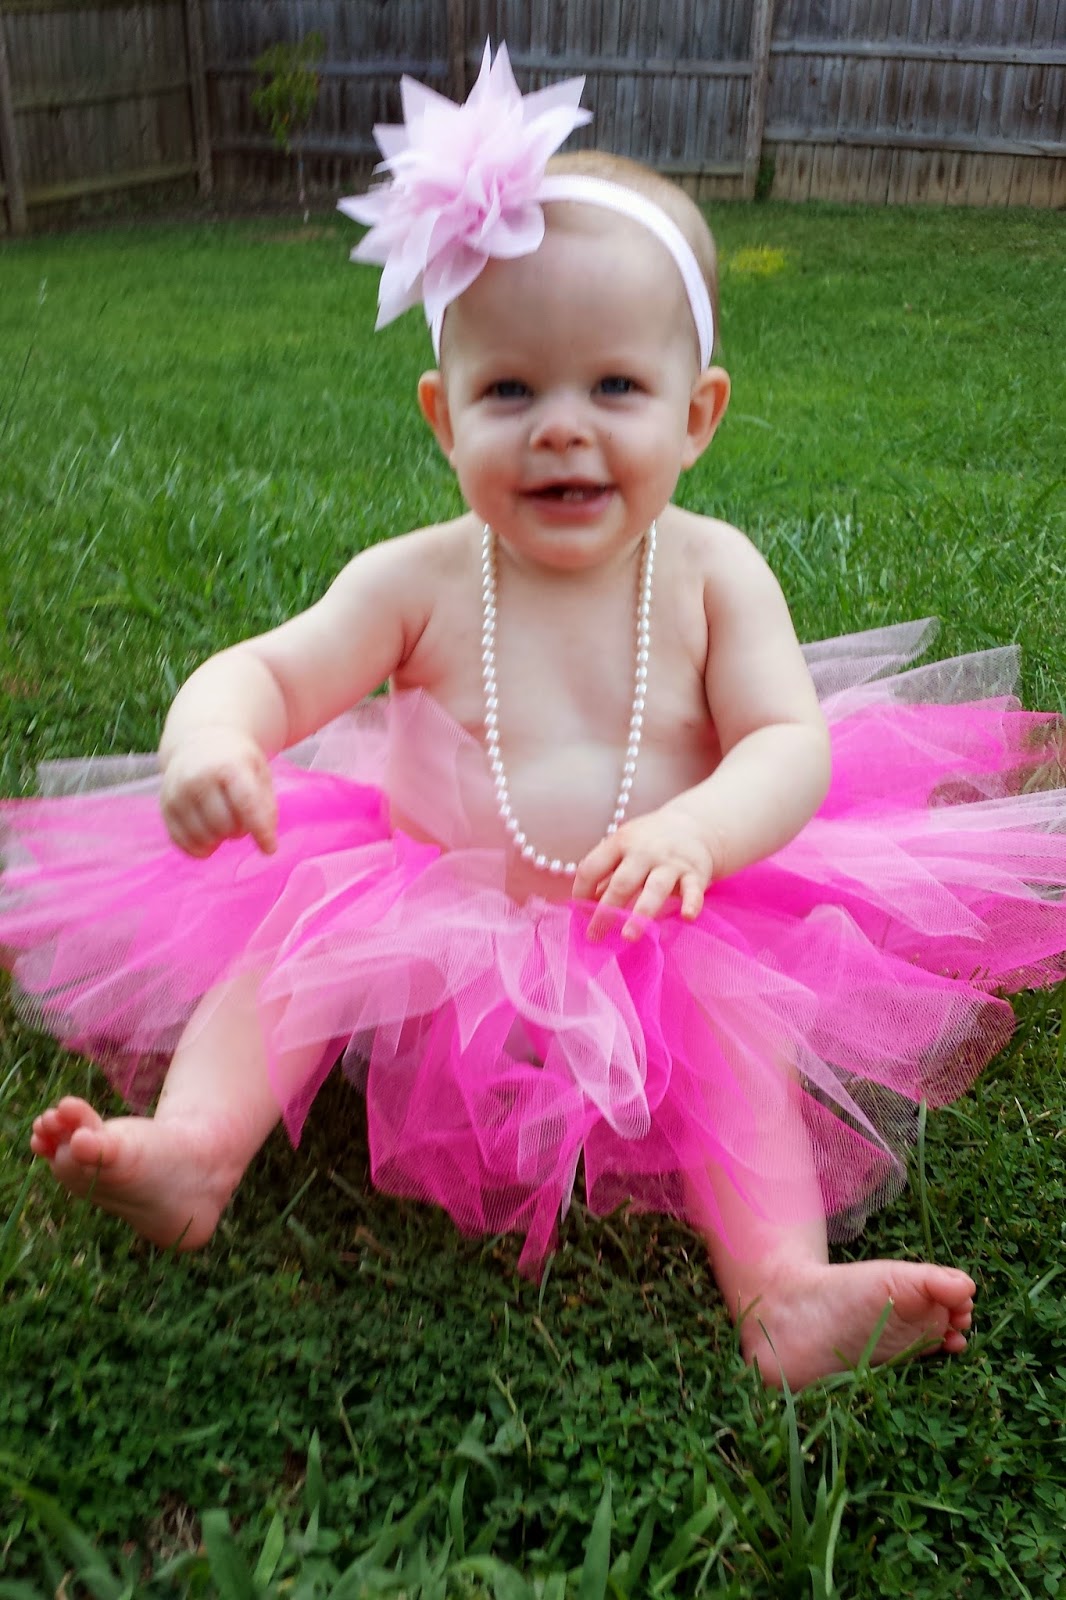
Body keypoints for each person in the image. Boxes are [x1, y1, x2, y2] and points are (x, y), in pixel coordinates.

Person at [3, 44, 1066, 1391]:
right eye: (512, 391)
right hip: (425, 897)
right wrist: (213, 739)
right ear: (444, 418)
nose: (561, 429)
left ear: (696, 416)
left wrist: (697, 828)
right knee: (293, 929)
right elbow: (267, 669)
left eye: (613, 389)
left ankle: (784, 1290)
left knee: (735, 1034)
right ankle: (194, 1148)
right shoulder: (420, 578)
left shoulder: (712, 572)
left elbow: (786, 743)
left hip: (661, 911)